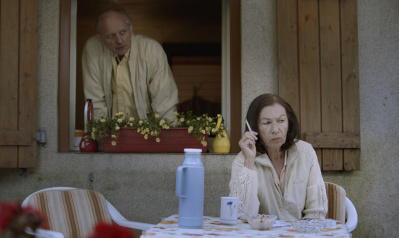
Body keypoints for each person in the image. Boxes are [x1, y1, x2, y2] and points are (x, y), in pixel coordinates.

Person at [229, 93, 327, 220]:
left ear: (289, 123)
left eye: (281, 121)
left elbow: (317, 211)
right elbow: (242, 214)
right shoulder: (243, 159)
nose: (275, 129)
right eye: (266, 123)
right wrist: (249, 162)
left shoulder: (306, 152)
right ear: (254, 128)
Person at [82, 9, 178, 121]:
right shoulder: (92, 49)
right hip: (111, 132)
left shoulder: (152, 50)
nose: (119, 40)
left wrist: (166, 135)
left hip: (147, 132)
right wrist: (102, 134)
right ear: (100, 39)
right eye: (111, 36)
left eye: (123, 32)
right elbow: (95, 100)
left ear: (131, 30)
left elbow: (164, 101)